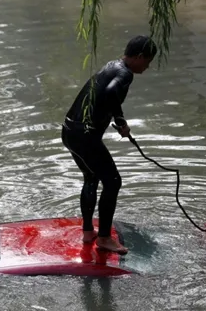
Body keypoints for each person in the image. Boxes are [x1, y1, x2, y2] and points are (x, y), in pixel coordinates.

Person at [61, 35, 157, 254]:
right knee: (113, 182)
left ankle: (88, 232)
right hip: (85, 137)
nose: (147, 67)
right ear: (139, 57)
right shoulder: (125, 73)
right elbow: (111, 92)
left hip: (69, 131)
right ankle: (104, 238)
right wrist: (121, 121)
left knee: (91, 177)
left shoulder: (111, 66)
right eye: (147, 61)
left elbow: (103, 94)